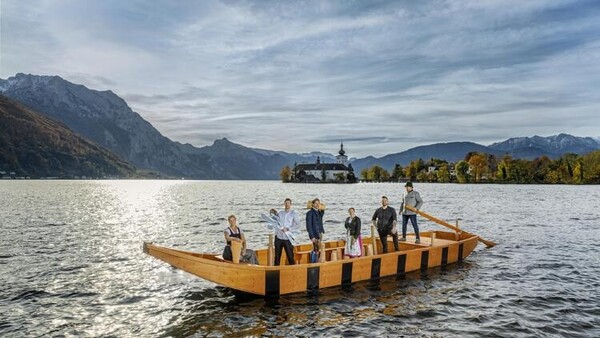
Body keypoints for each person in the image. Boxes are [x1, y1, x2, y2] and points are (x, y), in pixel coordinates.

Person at [273, 198, 301, 265]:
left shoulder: (293, 214)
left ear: (290, 204)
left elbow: (298, 225)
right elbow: (276, 223)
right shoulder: (280, 213)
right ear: (284, 204)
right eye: (286, 203)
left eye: (288, 203)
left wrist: (288, 229)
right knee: (277, 257)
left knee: (290, 256)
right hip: (279, 238)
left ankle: (293, 271)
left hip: (288, 238)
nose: (287, 205)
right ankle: (275, 272)